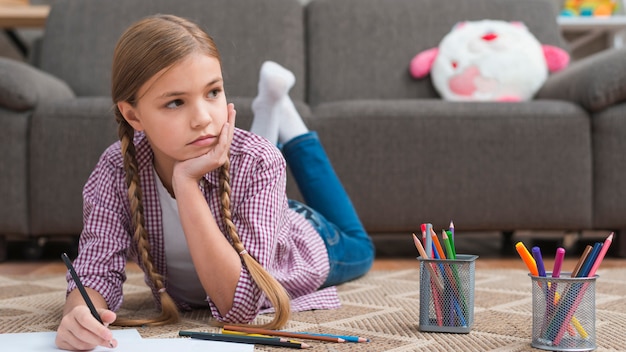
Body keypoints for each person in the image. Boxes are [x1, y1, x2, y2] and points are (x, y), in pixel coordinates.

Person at [55, 14, 374, 351]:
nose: (203, 119)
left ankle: (286, 118)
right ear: (133, 115)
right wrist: (79, 313)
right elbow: (95, 270)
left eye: (213, 92)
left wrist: (186, 183)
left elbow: (237, 308)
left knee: (361, 246)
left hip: (303, 238)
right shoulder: (115, 169)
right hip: (249, 203)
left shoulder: (258, 160)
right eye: (176, 102)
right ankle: (272, 108)